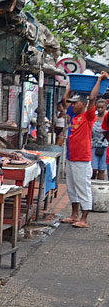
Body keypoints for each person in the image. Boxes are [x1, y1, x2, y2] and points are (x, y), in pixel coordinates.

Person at [61, 71, 109, 228]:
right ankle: (74, 214)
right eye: (73, 103)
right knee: (72, 188)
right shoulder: (73, 116)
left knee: (83, 187)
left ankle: (84, 218)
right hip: (71, 157)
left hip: (82, 158)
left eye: (76, 103)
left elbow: (93, 98)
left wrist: (100, 80)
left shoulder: (88, 116)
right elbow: (65, 100)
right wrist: (70, 83)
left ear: (83, 103)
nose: (73, 105)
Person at [91, 98, 108, 180]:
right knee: (93, 168)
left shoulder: (107, 118)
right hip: (94, 145)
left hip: (105, 146)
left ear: (105, 107)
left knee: (102, 169)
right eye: (98, 107)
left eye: (102, 107)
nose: (100, 109)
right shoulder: (94, 118)